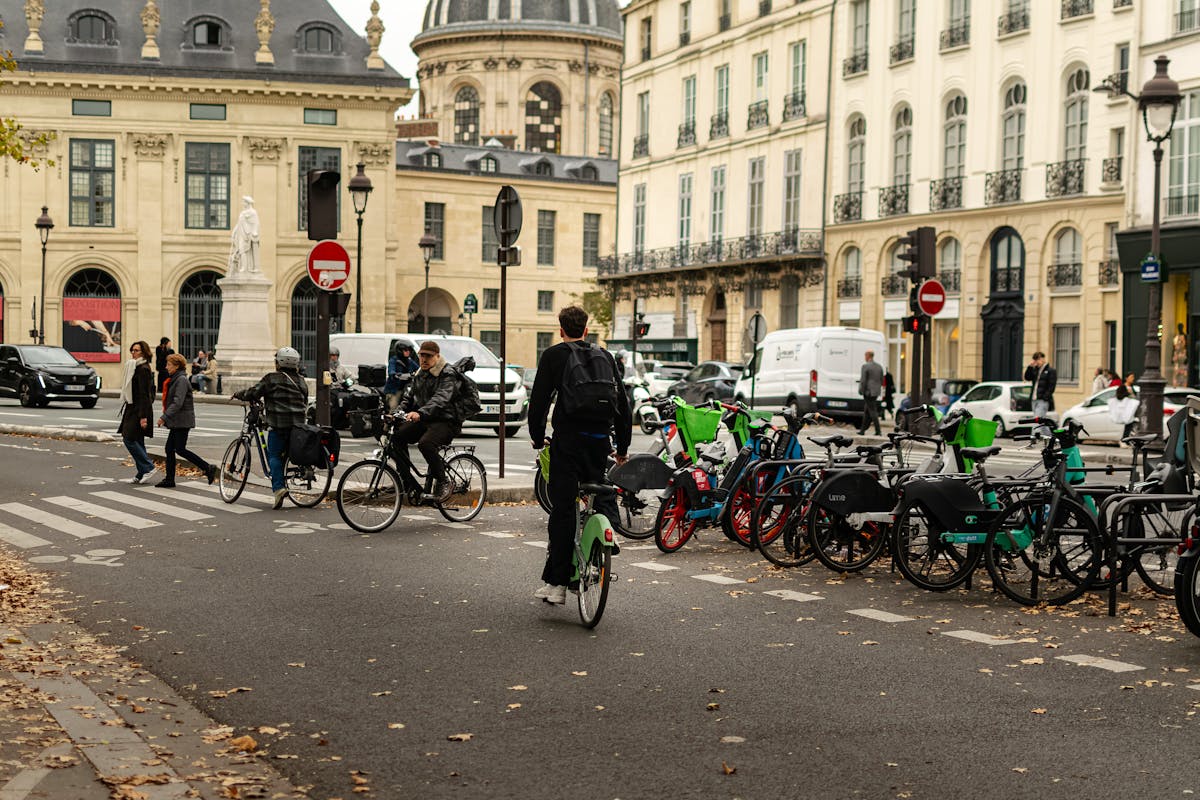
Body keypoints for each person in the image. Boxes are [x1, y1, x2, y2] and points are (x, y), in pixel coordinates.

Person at [528, 306, 631, 606]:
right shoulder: (605, 357)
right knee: (598, 488)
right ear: (587, 329)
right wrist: (621, 448)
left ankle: (558, 584)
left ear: (561, 330)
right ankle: (607, 530)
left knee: (562, 511)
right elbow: (623, 406)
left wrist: (537, 438)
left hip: (568, 444)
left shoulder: (554, 356)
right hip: (599, 443)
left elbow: (539, 402)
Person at [232, 347, 309, 509]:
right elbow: (305, 400)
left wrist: (239, 394)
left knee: (274, 455)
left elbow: (253, 392)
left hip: (279, 425)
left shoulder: (271, 379)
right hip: (298, 427)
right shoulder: (301, 380)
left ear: (278, 363)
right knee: (289, 452)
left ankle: (279, 488)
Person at [393, 340, 468, 501]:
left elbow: (441, 398)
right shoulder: (419, 373)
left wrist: (420, 413)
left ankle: (444, 481)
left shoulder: (447, 373)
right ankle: (407, 481)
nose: (424, 359)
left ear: (437, 356)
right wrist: (397, 412)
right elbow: (409, 396)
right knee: (397, 437)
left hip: (446, 420)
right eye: (421, 356)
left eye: (428, 356)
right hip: (426, 418)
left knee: (426, 444)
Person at [156, 354, 217, 487]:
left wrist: (163, 417)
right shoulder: (176, 378)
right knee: (170, 449)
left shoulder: (181, 380)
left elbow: (178, 402)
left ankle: (207, 467)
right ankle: (169, 479)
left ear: (177, 366)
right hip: (178, 421)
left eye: (169, 365)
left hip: (182, 421)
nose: (166, 367)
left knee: (180, 449)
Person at [118, 341, 157, 485]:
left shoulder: (143, 369)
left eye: (137, 351)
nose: (133, 353)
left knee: (129, 438)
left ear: (144, 352)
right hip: (132, 407)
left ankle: (148, 467)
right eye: (132, 350)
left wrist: (143, 417)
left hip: (139, 410)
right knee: (138, 440)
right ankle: (141, 473)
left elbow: (144, 394)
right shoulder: (134, 366)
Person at [856, 350, 884, 436]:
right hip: (875, 392)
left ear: (868, 356)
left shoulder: (865, 366)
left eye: (865, 355)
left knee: (872, 411)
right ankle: (862, 430)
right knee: (867, 411)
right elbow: (882, 380)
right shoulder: (879, 367)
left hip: (868, 392)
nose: (865, 357)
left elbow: (863, 381)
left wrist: (861, 390)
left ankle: (878, 430)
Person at [1024, 351, 1057, 420]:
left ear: (1043, 359)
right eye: (1035, 360)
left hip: (1042, 400)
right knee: (1041, 422)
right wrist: (1030, 367)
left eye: (1038, 359)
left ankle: (1034, 431)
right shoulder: (1035, 370)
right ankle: (1046, 431)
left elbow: (1051, 387)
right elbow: (1027, 377)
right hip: (1034, 399)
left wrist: (1045, 397)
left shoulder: (1050, 371)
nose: (1037, 362)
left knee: (1036, 421)